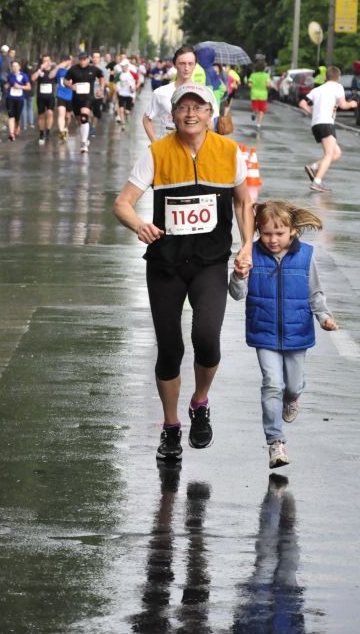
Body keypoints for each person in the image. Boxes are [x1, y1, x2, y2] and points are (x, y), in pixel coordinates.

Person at [113, 82, 254, 462]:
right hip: (166, 265)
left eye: (198, 107)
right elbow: (123, 203)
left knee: (207, 339)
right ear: (172, 116)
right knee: (171, 348)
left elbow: (243, 203)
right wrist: (137, 225)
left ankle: (200, 400)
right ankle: (171, 426)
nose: (191, 113)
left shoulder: (229, 152)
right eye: (183, 108)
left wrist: (246, 244)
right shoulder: (157, 153)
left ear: (211, 113)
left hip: (209, 263)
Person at [229, 199, 338, 468]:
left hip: (297, 332)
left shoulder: (306, 256)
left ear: (292, 231)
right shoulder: (250, 254)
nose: (273, 239)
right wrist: (239, 274)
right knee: (272, 383)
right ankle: (275, 442)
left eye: (279, 233)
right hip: (263, 332)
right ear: (257, 232)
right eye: (266, 233)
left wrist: (323, 317)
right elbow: (236, 295)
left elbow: (315, 292)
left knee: (292, 386)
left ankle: (293, 398)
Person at [299, 65, 357, 192]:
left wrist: (311, 112)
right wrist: (352, 104)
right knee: (330, 154)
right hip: (326, 123)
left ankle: (313, 167)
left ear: (326, 77)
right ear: (338, 77)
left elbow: (302, 103)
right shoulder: (338, 87)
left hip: (316, 124)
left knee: (336, 153)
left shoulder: (317, 89)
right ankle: (317, 182)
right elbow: (343, 105)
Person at [143, 45, 218, 143]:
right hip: (168, 150)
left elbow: (211, 123)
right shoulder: (161, 92)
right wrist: (155, 143)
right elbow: (146, 119)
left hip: (195, 150)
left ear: (195, 65)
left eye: (190, 64)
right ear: (175, 65)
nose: (186, 68)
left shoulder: (206, 93)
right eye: (182, 63)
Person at [64, 51, 104, 153]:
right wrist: (70, 85)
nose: (82, 62)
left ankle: (83, 143)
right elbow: (65, 80)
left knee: (84, 117)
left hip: (88, 98)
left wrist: (101, 88)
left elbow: (101, 77)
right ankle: (85, 139)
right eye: (80, 60)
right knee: (80, 121)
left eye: (84, 60)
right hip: (76, 98)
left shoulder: (93, 69)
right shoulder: (73, 69)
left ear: (88, 59)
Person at [32, 55, 56, 144]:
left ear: (50, 61)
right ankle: (41, 133)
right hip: (41, 96)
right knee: (41, 115)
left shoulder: (53, 71)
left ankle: (48, 132)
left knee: (50, 112)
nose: (46, 62)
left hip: (50, 96)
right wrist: (40, 70)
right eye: (44, 61)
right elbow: (33, 78)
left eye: (48, 60)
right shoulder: (39, 70)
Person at [5, 59, 31, 141]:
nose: (15, 68)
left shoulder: (24, 76)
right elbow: (7, 84)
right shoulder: (9, 76)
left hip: (20, 98)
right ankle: (11, 134)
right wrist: (6, 86)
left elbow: (29, 87)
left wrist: (20, 87)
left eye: (16, 66)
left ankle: (17, 126)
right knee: (11, 115)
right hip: (10, 98)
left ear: (19, 67)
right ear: (11, 68)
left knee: (17, 116)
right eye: (13, 66)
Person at [52, 56, 73, 140]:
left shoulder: (73, 70)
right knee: (61, 114)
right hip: (60, 94)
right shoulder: (59, 70)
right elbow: (51, 76)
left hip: (71, 95)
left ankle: (66, 128)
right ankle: (62, 132)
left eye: (68, 61)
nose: (67, 62)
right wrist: (57, 67)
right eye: (64, 61)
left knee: (68, 116)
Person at [248, 58, 272, 129]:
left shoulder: (253, 75)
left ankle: (255, 113)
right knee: (262, 110)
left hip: (254, 94)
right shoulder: (266, 75)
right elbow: (268, 85)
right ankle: (259, 124)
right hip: (263, 94)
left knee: (256, 108)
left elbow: (249, 84)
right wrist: (268, 87)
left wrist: (253, 86)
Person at [115, 58, 136, 128]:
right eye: (122, 66)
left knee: (127, 112)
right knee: (121, 110)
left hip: (129, 95)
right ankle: (123, 124)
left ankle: (126, 116)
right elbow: (115, 83)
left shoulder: (131, 75)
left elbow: (134, 86)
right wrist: (116, 88)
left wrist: (132, 88)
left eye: (124, 66)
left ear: (127, 66)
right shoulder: (119, 75)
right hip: (121, 94)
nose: (122, 67)